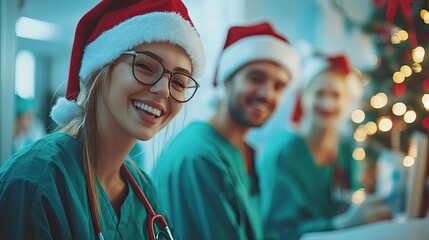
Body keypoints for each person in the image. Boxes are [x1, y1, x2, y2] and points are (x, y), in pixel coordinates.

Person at [0, 0, 205, 239]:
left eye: (179, 82)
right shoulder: (35, 181)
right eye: (146, 67)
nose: (164, 90)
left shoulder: (144, 191)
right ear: (101, 68)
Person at [152, 22, 300, 240]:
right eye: (255, 78)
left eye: (278, 86)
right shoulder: (199, 158)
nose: (267, 94)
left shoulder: (243, 150)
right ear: (227, 80)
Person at [258, 54, 391, 240]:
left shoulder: (346, 149)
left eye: (336, 95)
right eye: (319, 93)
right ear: (304, 96)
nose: (327, 103)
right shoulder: (285, 151)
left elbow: (349, 200)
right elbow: (278, 231)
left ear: (347, 101)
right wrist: (341, 224)